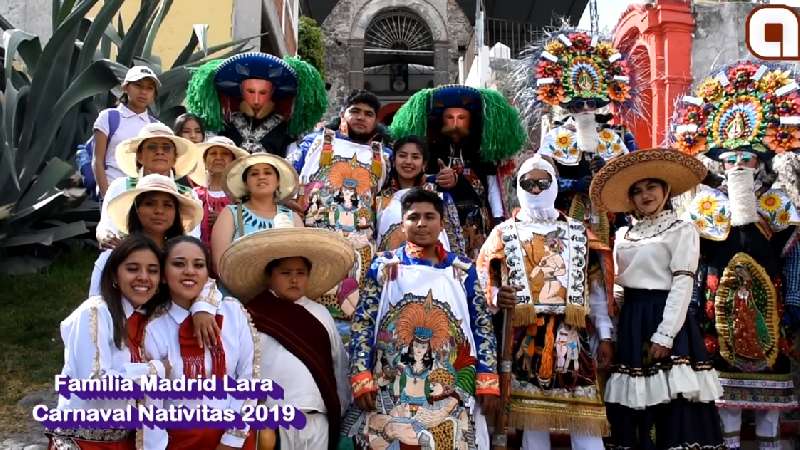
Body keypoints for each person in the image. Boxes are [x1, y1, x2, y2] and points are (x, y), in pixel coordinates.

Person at [670, 60, 800, 449]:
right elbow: (691, 260)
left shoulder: (778, 205)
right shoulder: (706, 208)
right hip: (716, 310)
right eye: (731, 160)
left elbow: (794, 258)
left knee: (771, 409)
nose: (740, 165)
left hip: (770, 313)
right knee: (725, 404)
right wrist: (691, 305)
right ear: (720, 163)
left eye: (747, 158)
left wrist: (794, 300)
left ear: (762, 162)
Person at [475, 155, 614, 450]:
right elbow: (484, 277)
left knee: (586, 424)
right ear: (519, 186)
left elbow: (597, 289)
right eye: (528, 183)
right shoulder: (503, 233)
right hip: (523, 334)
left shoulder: (578, 233)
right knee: (533, 427)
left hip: (571, 337)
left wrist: (604, 334)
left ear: (554, 185)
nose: (536, 189)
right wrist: (499, 296)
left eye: (542, 182)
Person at [588, 148, 724, 449]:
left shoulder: (682, 229)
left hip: (666, 318)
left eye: (651, 186)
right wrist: (611, 329)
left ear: (666, 189)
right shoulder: (624, 233)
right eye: (637, 191)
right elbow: (620, 285)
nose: (645, 195)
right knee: (635, 403)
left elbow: (682, 283)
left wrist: (665, 334)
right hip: (632, 321)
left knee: (671, 402)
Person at [347, 188, 500, 450]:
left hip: (448, 388)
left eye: (429, 216)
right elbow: (364, 322)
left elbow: (482, 326)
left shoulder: (463, 270)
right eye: (413, 217)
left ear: (441, 223)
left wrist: (488, 378)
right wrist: (361, 374)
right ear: (402, 223)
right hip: (389, 383)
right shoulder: (384, 265)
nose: (421, 223)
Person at [217, 214, 354, 450]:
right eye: (285, 272)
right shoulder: (252, 313)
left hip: (318, 417)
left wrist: (339, 409)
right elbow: (238, 368)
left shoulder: (321, 313)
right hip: (272, 421)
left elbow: (339, 365)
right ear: (270, 275)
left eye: (300, 272)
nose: (294, 279)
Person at [512, 29, 637, 245]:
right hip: (566, 215)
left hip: (609, 217)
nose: (587, 109)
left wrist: (607, 170)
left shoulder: (615, 136)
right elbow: (542, 181)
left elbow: (631, 177)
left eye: (592, 103)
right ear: (569, 106)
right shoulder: (555, 138)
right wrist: (575, 184)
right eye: (579, 104)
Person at [48, 234, 168, 449]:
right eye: (132, 269)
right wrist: (154, 370)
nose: (143, 277)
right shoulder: (95, 311)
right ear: (114, 274)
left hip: (121, 441)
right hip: (81, 442)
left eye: (152, 270)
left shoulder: (143, 320)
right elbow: (93, 383)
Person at [286, 90, 390, 326]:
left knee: (355, 320)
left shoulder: (384, 156)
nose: (361, 117)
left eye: (368, 114)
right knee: (308, 318)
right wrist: (289, 205)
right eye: (355, 111)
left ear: (376, 121)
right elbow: (283, 175)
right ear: (342, 114)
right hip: (315, 244)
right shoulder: (314, 143)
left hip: (360, 252)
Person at [143, 236, 258, 449]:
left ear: (208, 274)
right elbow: (152, 403)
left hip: (235, 435)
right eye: (178, 264)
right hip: (179, 440)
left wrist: (233, 439)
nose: (189, 271)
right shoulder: (153, 328)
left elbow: (249, 376)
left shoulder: (232, 312)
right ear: (164, 276)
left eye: (199, 265)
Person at [390, 85, 526, 258]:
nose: (455, 123)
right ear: (442, 120)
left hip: (475, 227)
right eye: (449, 117)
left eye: (461, 117)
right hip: (438, 226)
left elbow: (492, 190)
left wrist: (499, 221)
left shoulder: (482, 153)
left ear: (470, 120)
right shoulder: (428, 153)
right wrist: (436, 179)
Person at [185, 52, 326, 156]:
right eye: (251, 91)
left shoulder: (285, 130)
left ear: (272, 93)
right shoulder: (226, 125)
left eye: (263, 92)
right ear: (241, 91)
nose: (257, 100)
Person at [89, 174, 203, 296]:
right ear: (136, 209)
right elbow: (96, 303)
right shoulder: (113, 256)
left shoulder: (185, 258)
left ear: (176, 213)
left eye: (167, 205)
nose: (159, 211)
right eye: (150, 204)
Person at [96, 123, 200, 244]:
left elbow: (193, 239)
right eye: (152, 147)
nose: (159, 152)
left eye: (166, 148)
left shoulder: (188, 195)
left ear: (174, 158)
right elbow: (105, 225)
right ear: (139, 156)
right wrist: (105, 236)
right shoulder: (120, 186)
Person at [210, 152, 303, 273]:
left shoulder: (293, 218)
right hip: (235, 289)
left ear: (278, 180)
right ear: (245, 183)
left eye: (268, 172)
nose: (261, 177)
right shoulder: (230, 214)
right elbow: (219, 264)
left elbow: (301, 260)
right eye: (254, 174)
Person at [376, 135, 465, 255]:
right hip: (392, 270)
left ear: (424, 164)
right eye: (402, 156)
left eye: (415, 157)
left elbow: (455, 243)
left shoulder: (439, 197)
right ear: (393, 161)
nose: (408, 161)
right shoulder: (380, 200)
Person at [92, 66, 162, 198]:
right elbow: (98, 161)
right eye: (138, 86)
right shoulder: (108, 117)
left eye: (149, 88)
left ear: (154, 95)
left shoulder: (156, 127)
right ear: (125, 87)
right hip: (113, 191)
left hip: (143, 195)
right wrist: (106, 196)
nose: (143, 92)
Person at [186, 136, 248, 247]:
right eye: (213, 153)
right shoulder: (194, 195)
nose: (218, 157)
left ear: (233, 162)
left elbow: (248, 235)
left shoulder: (243, 198)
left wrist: (226, 222)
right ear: (205, 161)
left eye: (224, 154)